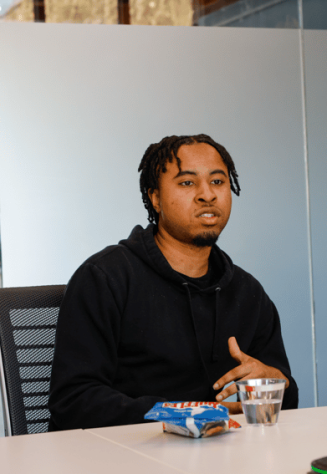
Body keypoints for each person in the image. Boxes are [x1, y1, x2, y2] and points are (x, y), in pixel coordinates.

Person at [48, 134, 298, 430]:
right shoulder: (105, 278)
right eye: (187, 183)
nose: (208, 194)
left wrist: (274, 382)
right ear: (155, 197)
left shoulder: (248, 293)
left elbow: (286, 400)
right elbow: (73, 401)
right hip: (127, 457)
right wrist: (182, 414)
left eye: (218, 182)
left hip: (226, 457)